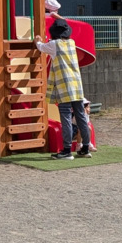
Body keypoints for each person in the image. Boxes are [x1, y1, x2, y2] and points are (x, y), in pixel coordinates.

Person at [35, 17, 91, 160]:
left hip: (64, 86)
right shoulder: (71, 43)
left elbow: (41, 47)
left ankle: (66, 150)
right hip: (77, 85)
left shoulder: (54, 44)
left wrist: (37, 40)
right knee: (81, 116)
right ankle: (85, 147)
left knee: (65, 116)